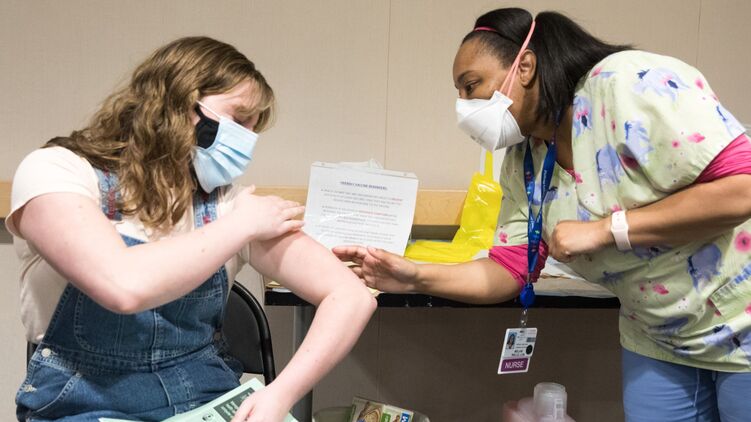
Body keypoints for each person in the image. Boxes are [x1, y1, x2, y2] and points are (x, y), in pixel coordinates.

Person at [334, 7, 751, 422]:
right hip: (657, 339)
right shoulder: (526, 160)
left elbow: (742, 187)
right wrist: (414, 276)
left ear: (525, 67)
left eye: (471, 86)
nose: (464, 106)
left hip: (741, 322)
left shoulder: (625, 85)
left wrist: (609, 230)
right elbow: (509, 269)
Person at [7, 36, 376, 422]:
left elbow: (351, 297)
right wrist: (241, 226)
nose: (247, 140)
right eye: (239, 119)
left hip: (204, 396)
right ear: (177, 101)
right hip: (88, 402)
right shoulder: (57, 172)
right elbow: (123, 286)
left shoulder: (226, 203)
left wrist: (280, 395)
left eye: (254, 128)